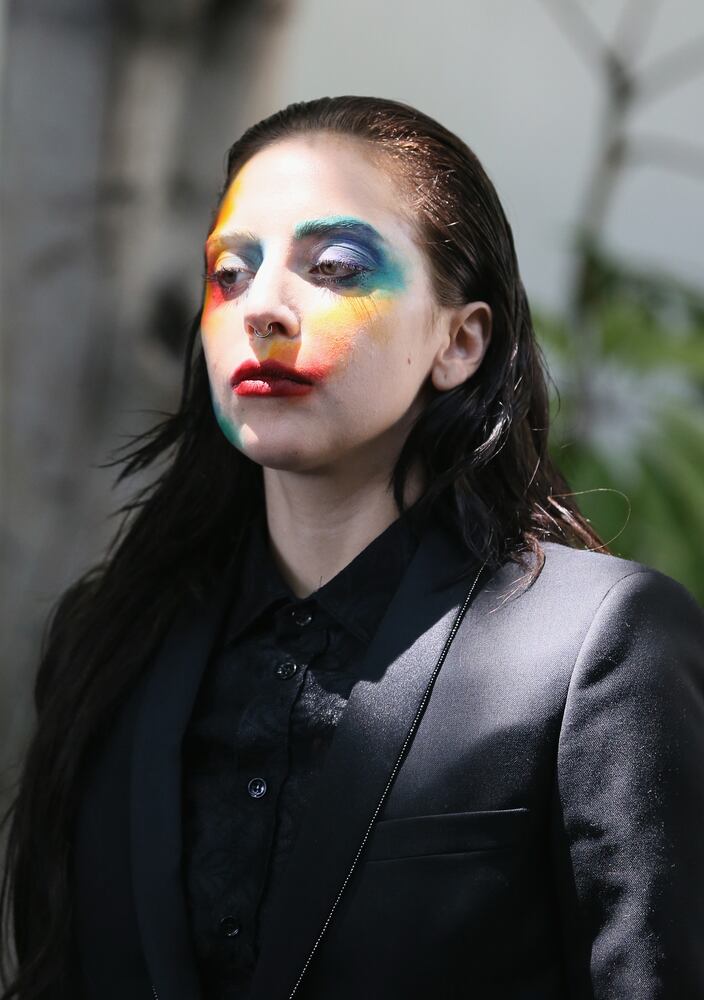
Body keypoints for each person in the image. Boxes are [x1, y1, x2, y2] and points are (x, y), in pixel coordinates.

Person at [1, 95, 703, 1000]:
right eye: (230, 273)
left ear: (460, 341)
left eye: (333, 267)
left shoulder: (597, 648)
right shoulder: (111, 642)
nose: (263, 308)